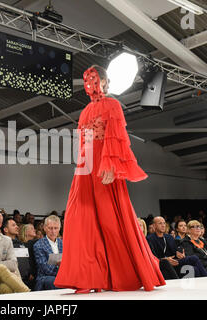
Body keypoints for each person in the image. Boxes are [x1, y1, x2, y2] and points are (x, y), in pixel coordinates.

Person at [55, 65, 165, 293]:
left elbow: (117, 137)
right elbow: (83, 145)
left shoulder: (113, 105)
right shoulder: (85, 112)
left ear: (105, 81)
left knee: (110, 221)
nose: (90, 83)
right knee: (80, 220)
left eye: (94, 78)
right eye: (87, 79)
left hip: (105, 167)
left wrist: (111, 166)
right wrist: (81, 171)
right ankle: (89, 277)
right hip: (85, 170)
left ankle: (123, 274)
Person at [34, 215, 63, 291]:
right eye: (50, 228)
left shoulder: (63, 244)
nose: (53, 231)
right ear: (45, 228)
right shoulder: (39, 245)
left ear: (59, 228)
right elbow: (45, 269)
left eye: (56, 228)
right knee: (54, 281)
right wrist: (60, 266)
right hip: (45, 277)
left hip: (62, 275)